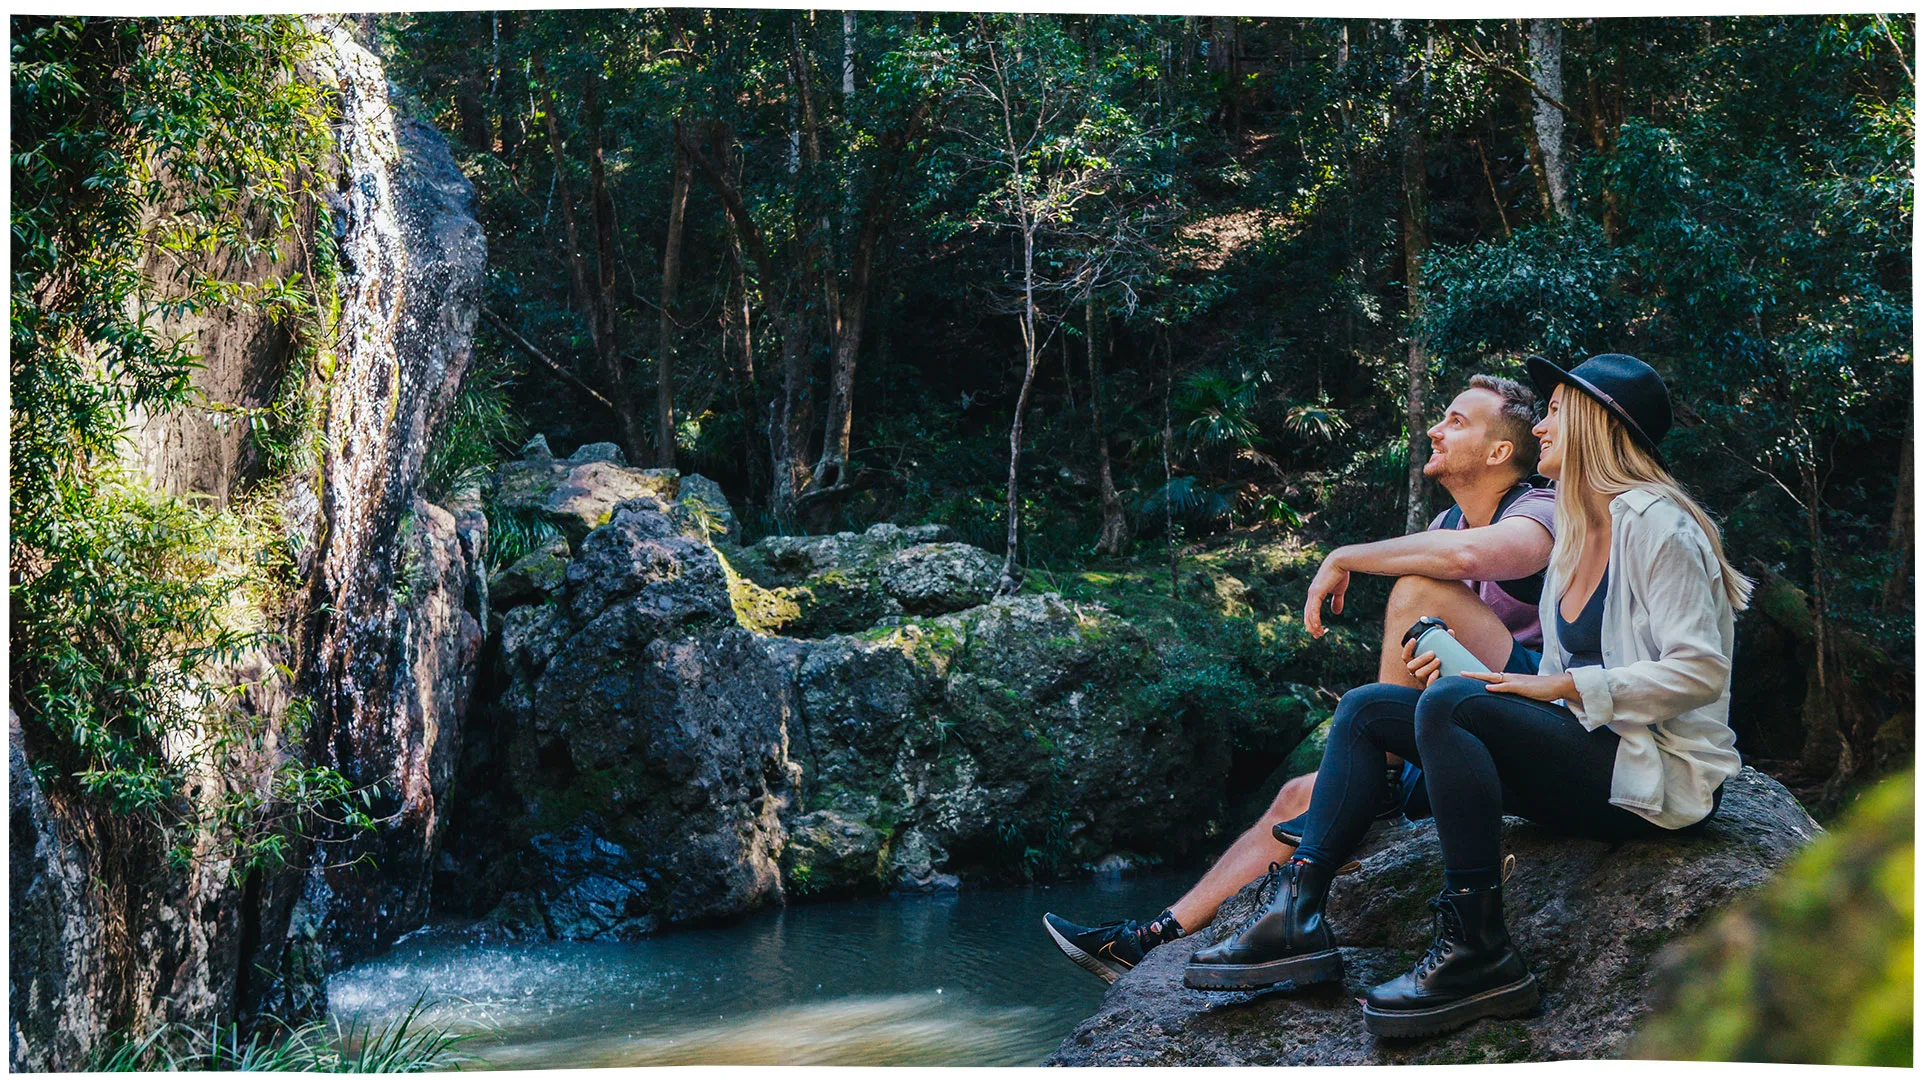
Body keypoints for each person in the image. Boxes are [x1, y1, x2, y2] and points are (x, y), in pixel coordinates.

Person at [1183, 353, 1749, 1041]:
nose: (1540, 427)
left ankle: (1479, 951)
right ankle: (1295, 917)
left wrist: (1561, 685)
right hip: (1589, 743)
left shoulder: (1658, 523)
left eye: (1555, 412)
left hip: (1656, 779)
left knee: (1450, 702)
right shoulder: (1579, 526)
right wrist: (1536, 695)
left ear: (1600, 424)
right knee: (1365, 709)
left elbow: (1700, 672)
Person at [1042, 374, 1557, 985]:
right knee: (1295, 796)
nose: (1434, 430)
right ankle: (1148, 939)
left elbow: (1472, 559)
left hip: (1530, 715)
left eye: (1455, 421)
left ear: (1500, 452)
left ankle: (1385, 776)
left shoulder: (1540, 507)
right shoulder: (1446, 521)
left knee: (1418, 590)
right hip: (1459, 723)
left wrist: (1340, 556)